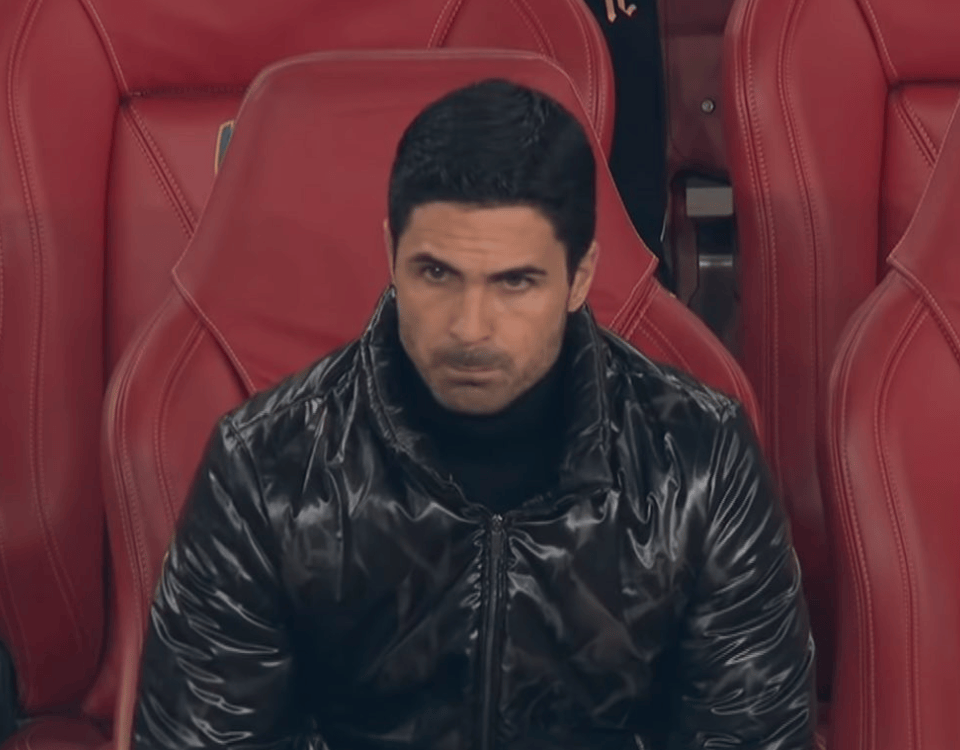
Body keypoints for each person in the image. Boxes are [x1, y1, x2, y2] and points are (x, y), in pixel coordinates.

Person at [134, 79, 815, 750]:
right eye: (436, 274)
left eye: (515, 282)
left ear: (579, 277)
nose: (469, 327)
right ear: (391, 256)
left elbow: (752, 736)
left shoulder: (701, 461)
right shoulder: (265, 469)